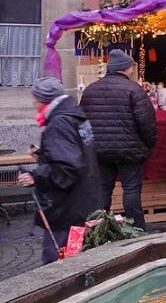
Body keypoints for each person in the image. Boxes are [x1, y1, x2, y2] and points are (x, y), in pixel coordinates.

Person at [16, 77, 102, 264]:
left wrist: (35, 176)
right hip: (84, 200)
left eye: (35, 98)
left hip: (68, 209)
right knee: (80, 258)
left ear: (43, 100)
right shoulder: (75, 117)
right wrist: (44, 155)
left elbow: (67, 169)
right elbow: (77, 155)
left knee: (60, 261)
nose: (33, 103)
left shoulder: (59, 124)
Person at [79, 48, 156, 230]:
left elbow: (82, 121)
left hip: (100, 151)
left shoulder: (91, 90)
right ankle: (135, 228)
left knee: (104, 190)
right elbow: (146, 122)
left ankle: (99, 228)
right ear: (126, 68)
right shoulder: (134, 90)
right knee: (131, 189)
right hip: (129, 150)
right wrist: (148, 145)